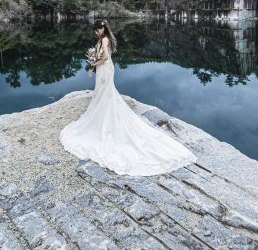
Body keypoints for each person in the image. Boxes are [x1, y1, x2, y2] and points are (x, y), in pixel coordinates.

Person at [60, 19, 197, 176]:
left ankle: (105, 117)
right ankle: (104, 113)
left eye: (96, 30)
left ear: (101, 29)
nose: (95, 33)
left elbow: (105, 57)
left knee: (105, 93)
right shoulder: (105, 38)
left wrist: (94, 61)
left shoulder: (104, 40)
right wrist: (93, 60)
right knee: (104, 93)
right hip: (105, 69)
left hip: (105, 68)